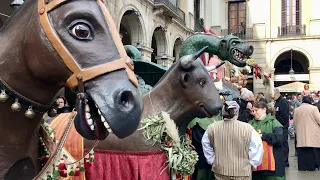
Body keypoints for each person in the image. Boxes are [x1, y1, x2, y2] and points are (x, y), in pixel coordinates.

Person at [202, 101, 263, 180]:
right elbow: (257, 147)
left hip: (220, 171)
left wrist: (213, 160)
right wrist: (251, 163)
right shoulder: (248, 128)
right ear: (237, 113)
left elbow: (205, 144)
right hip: (242, 172)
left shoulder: (212, 128)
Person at [249, 102, 286, 180]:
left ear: (264, 110)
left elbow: (279, 139)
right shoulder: (250, 124)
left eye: (256, 110)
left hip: (273, 165)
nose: (254, 113)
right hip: (256, 166)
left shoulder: (274, 122)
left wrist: (263, 136)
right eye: (253, 111)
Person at [293, 96, 320, 171]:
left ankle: (302, 167)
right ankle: (312, 166)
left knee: (302, 153)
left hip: (301, 134)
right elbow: (319, 120)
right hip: (313, 133)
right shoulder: (314, 108)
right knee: (312, 152)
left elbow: (294, 123)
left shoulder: (297, 110)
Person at [273, 89, 290, 167]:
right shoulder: (277, 102)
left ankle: (285, 161)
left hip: (283, 126)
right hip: (279, 126)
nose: (273, 97)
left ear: (278, 94)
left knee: (284, 144)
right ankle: (281, 160)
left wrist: (277, 123)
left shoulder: (283, 102)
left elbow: (284, 116)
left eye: (274, 95)